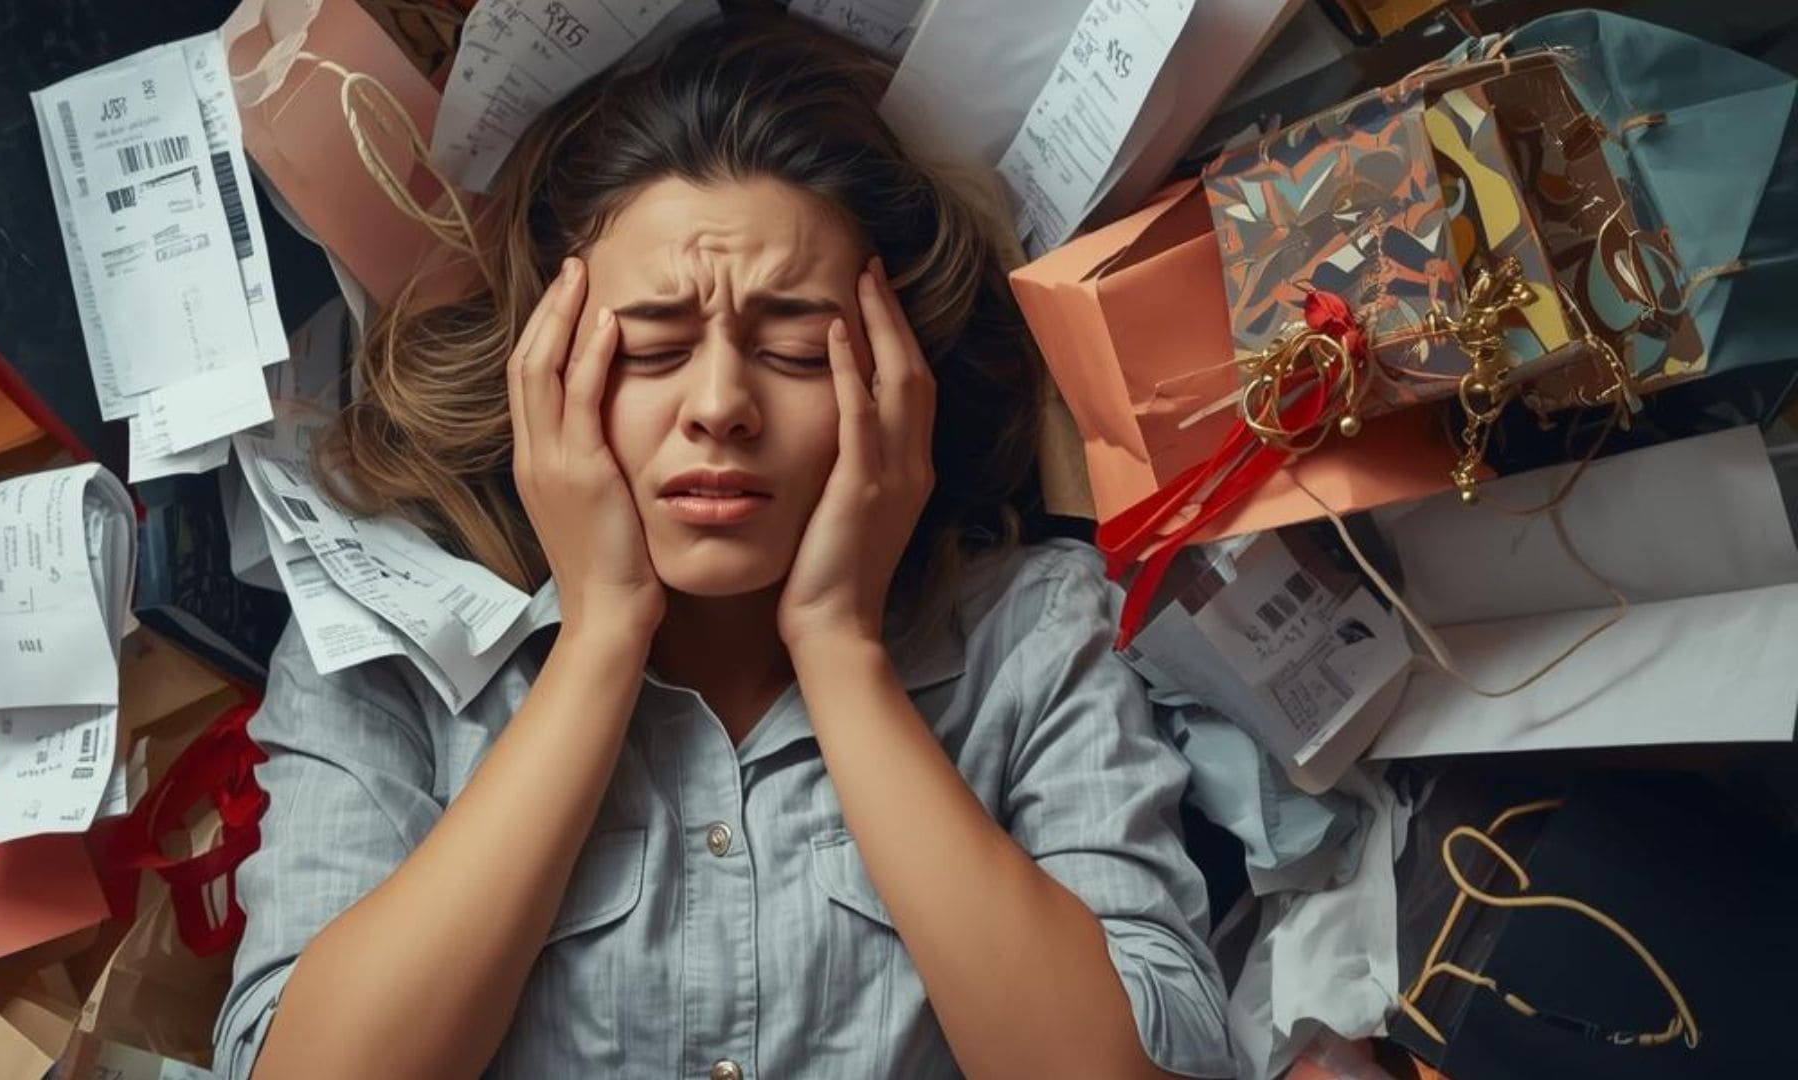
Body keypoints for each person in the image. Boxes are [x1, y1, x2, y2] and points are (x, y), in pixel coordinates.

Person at [214, 13, 1232, 1079]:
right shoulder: (385, 650)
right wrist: (601, 639)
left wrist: (839, 648)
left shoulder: (1033, 635)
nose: (720, 407)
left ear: (897, 380)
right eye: (651, 350)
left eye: (795, 350)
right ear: (542, 372)